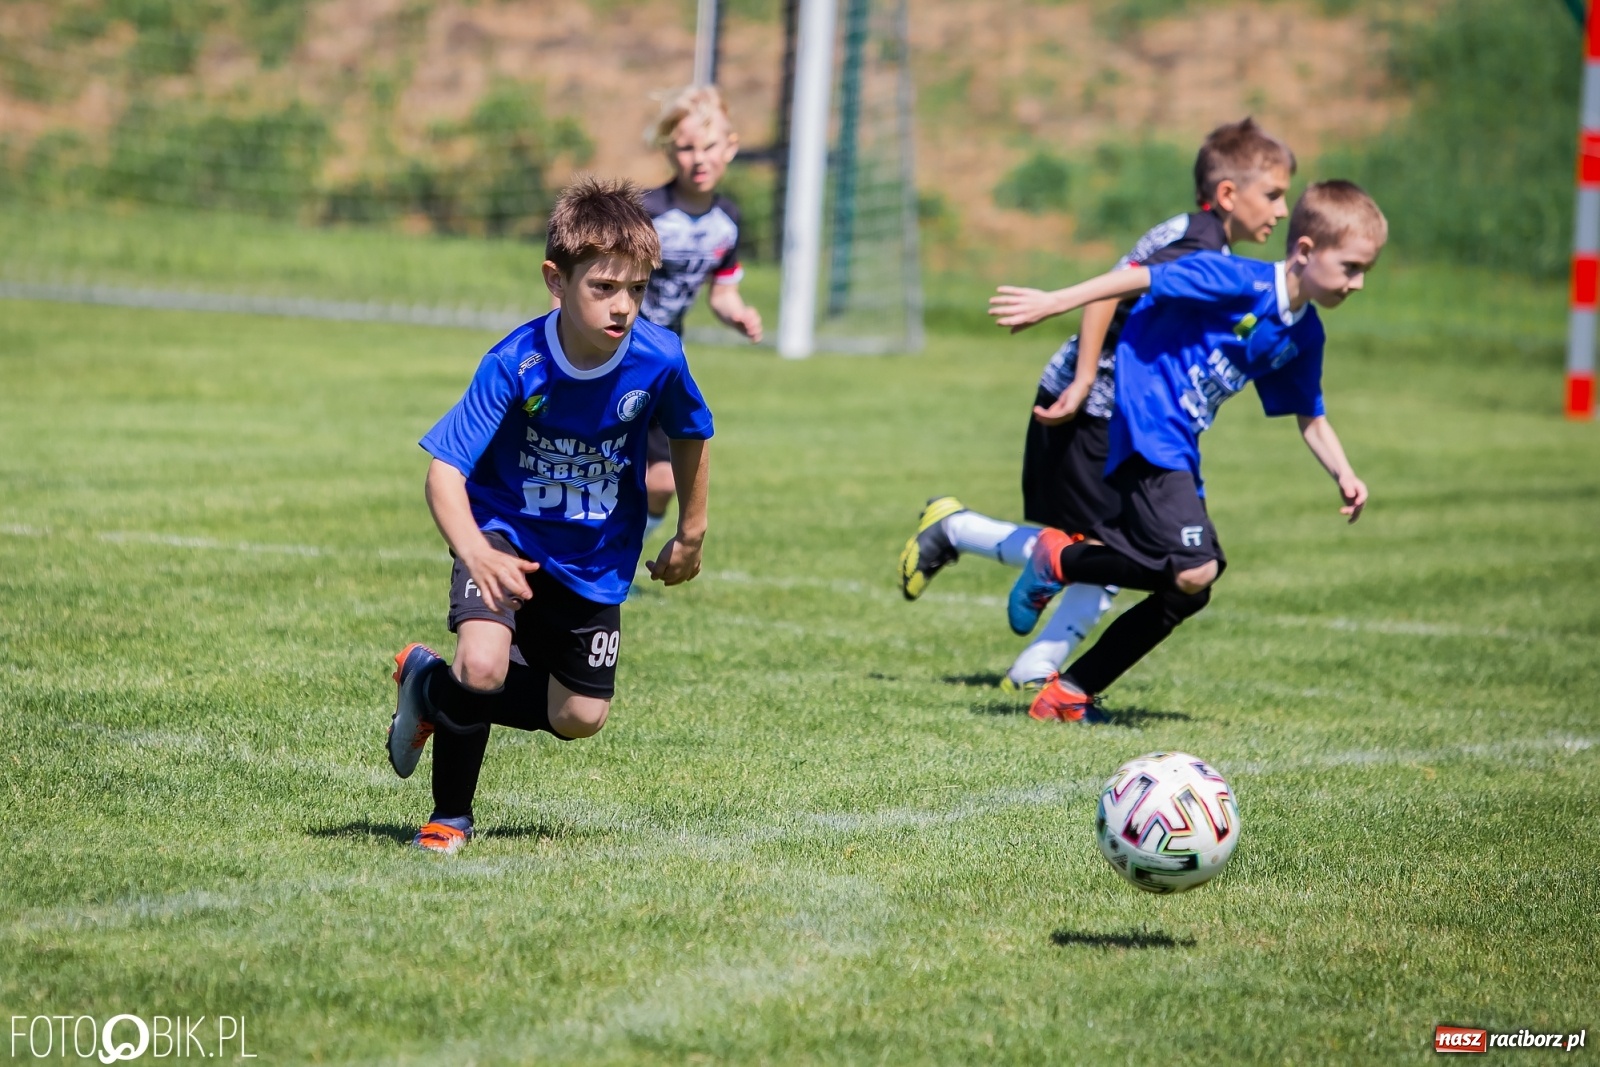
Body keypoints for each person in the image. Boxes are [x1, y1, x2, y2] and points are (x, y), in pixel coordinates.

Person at [898, 118, 1296, 692]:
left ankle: (1034, 662)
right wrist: (1085, 379)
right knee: (1114, 550)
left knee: (1111, 548)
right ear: (1229, 194)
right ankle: (958, 534)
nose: (1281, 211)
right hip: (1100, 405)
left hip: (1120, 409)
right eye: (1273, 195)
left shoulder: (1205, 238)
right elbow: (1111, 290)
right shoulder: (1198, 245)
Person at [385, 177, 715, 852]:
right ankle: (450, 817)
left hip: (595, 555)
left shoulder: (659, 358)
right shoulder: (515, 363)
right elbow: (444, 471)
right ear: (555, 281)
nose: (623, 305)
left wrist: (691, 530)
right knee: (483, 665)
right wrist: (475, 549)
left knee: (580, 716)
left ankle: (431, 688)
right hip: (504, 533)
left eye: (637, 289)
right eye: (604, 287)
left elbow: (691, 431)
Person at [986, 180, 1384, 723]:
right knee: (1196, 567)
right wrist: (1055, 301)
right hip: (1149, 424)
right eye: (1351, 267)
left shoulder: (1303, 334)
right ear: (1306, 250)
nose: (1358, 283)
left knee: (1189, 588)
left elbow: (1309, 413)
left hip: (1180, 445)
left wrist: (1344, 472)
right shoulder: (1235, 279)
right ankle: (1060, 567)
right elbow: (1139, 277)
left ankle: (1068, 686)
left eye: (1366, 271)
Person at [637, 85, 762, 538]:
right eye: (687, 148)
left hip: (663, 359)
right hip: (617, 352)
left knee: (663, 481)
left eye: (709, 146)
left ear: (730, 148)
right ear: (669, 151)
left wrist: (738, 314)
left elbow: (722, 293)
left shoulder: (727, 220)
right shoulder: (646, 212)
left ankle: (622, 553)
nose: (699, 159)